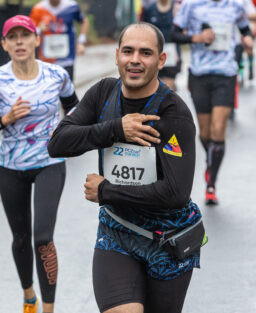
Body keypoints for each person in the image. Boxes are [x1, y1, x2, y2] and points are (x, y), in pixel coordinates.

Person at [48, 22, 205, 313]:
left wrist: (106, 191)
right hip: (116, 232)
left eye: (145, 53)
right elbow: (58, 143)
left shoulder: (173, 114)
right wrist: (116, 129)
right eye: (128, 51)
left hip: (166, 241)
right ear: (117, 55)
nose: (135, 60)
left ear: (161, 60)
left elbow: (175, 193)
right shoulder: (104, 93)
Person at [0, 15, 78, 313]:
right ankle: (29, 296)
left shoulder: (56, 75)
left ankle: (49, 308)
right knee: (21, 238)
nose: (19, 41)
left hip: (50, 161)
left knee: (43, 238)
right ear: (4, 44)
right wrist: (4, 120)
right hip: (11, 167)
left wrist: (65, 131)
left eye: (25, 35)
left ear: (36, 40)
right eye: (13, 37)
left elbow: (75, 108)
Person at [171, 0, 254, 205]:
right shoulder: (191, 5)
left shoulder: (235, 5)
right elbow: (174, 34)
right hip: (199, 75)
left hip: (226, 74)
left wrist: (249, 40)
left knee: (218, 129)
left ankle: (211, 183)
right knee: (206, 133)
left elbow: (246, 30)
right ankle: (211, 162)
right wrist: (197, 37)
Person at [30, 0, 89, 81]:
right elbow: (30, 33)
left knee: (67, 89)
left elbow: (84, 21)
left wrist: (81, 42)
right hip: (47, 59)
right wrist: (39, 29)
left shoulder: (71, 6)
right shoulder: (38, 9)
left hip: (67, 57)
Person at [141, 0, 182, 90]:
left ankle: (170, 98)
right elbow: (142, 30)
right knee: (154, 86)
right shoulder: (149, 9)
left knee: (167, 86)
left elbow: (183, 32)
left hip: (172, 53)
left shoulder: (177, 9)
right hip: (154, 52)